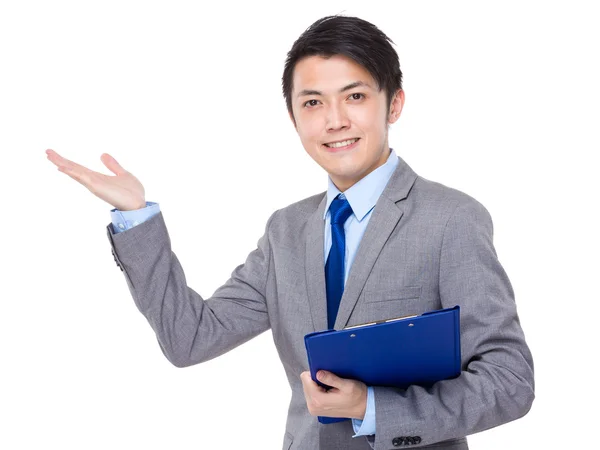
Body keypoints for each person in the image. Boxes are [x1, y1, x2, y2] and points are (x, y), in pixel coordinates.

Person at [46, 14, 534, 450]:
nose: (335, 120)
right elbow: (189, 339)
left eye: (356, 96)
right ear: (294, 116)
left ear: (395, 103)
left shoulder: (451, 218)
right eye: (313, 102)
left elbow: (509, 381)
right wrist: (137, 217)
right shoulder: (287, 229)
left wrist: (372, 407)